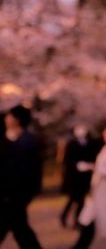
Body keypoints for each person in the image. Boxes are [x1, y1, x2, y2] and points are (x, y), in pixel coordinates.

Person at [0, 105, 44, 249]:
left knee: (21, 230)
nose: (6, 118)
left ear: (17, 120)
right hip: (2, 195)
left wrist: (28, 194)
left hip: (18, 195)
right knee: (21, 230)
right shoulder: (2, 140)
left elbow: (35, 171)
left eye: (9, 116)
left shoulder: (29, 142)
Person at [61, 124, 99, 229]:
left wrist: (89, 165)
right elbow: (67, 161)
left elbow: (93, 156)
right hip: (74, 178)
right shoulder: (71, 144)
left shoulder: (89, 143)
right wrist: (78, 165)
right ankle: (64, 217)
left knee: (80, 200)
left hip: (85, 178)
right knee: (73, 199)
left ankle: (77, 221)